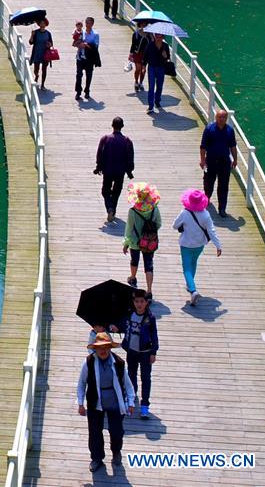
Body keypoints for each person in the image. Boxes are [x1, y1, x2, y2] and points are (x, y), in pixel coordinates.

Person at [77, 332, 135, 473]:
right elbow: (81, 384)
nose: (103, 351)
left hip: (115, 401)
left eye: (106, 347)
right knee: (94, 432)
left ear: (110, 347)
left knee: (117, 431)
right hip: (95, 401)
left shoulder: (119, 363)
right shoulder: (88, 362)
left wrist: (131, 402)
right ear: (95, 349)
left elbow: (127, 384)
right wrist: (80, 403)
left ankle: (116, 452)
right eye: (100, 348)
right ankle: (96, 458)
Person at [173, 188, 222, 306]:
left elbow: (175, 226)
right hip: (199, 244)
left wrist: (182, 225)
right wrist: (218, 245)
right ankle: (190, 285)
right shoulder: (206, 214)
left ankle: (193, 290)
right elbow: (211, 231)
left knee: (186, 268)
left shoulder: (184, 213)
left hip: (186, 244)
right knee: (193, 263)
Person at [118, 289, 158, 420]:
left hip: (145, 353)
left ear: (146, 302)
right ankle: (131, 398)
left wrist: (153, 352)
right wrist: (117, 328)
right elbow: (123, 326)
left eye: (142, 301)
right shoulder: (129, 315)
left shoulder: (150, 318)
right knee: (131, 376)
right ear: (133, 302)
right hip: (132, 351)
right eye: (136, 301)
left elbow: (154, 336)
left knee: (145, 378)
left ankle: (145, 405)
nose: (139, 304)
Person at [123, 182, 161, 297]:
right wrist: (149, 232)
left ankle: (133, 278)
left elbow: (129, 228)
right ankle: (149, 290)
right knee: (149, 265)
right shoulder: (154, 209)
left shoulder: (132, 211)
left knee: (134, 261)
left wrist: (126, 243)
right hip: (149, 242)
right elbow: (158, 224)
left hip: (135, 241)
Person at [95, 117, 135, 222]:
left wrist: (98, 167)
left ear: (112, 125)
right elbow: (130, 157)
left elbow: (99, 154)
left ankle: (110, 208)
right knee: (116, 192)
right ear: (122, 126)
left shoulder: (105, 139)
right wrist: (129, 171)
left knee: (105, 191)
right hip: (120, 171)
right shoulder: (127, 141)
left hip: (107, 170)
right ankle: (112, 210)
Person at [200, 110, 237, 217]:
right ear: (216, 117)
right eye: (219, 117)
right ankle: (207, 198)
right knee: (208, 183)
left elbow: (233, 146)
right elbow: (203, 146)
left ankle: (222, 208)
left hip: (224, 162)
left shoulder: (230, 130)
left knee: (223, 186)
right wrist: (202, 160)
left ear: (226, 118)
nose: (221, 119)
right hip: (211, 161)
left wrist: (235, 159)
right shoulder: (209, 129)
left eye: (223, 117)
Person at [143, 32, 170, 113]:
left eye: (160, 37)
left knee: (159, 86)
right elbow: (145, 56)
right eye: (156, 36)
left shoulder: (165, 46)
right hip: (151, 68)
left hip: (161, 68)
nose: (158, 38)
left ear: (163, 37)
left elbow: (168, 58)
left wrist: (165, 56)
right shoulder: (150, 45)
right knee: (151, 87)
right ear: (154, 37)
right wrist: (144, 67)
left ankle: (157, 102)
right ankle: (150, 106)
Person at [73, 16, 100, 100]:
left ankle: (87, 91)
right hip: (80, 57)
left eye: (89, 23)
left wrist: (86, 45)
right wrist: (79, 45)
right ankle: (78, 92)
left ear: (92, 24)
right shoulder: (81, 32)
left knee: (89, 75)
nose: (88, 25)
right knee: (78, 75)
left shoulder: (95, 34)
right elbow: (74, 44)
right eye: (86, 23)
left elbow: (95, 47)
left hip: (90, 58)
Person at [29, 18, 53, 90]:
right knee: (36, 69)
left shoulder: (48, 33)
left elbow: (51, 43)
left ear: (46, 24)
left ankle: (42, 84)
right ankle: (36, 76)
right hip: (37, 53)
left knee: (44, 69)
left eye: (44, 23)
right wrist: (32, 35)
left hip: (45, 54)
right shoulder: (35, 32)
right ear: (39, 24)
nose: (42, 25)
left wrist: (49, 44)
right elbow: (30, 42)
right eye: (41, 23)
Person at [129, 22, 150, 92]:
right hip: (137, 54)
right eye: (142, 24)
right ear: (139, 25)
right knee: (138, 69)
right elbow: (133, 44)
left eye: (145, 24)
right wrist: (130, 54)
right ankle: (136, 82)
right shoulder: (136, 34)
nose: (143, 25)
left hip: (146, 55)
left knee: (143, 70)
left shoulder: (149, 34)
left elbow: (151, 44)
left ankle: (141, 83)